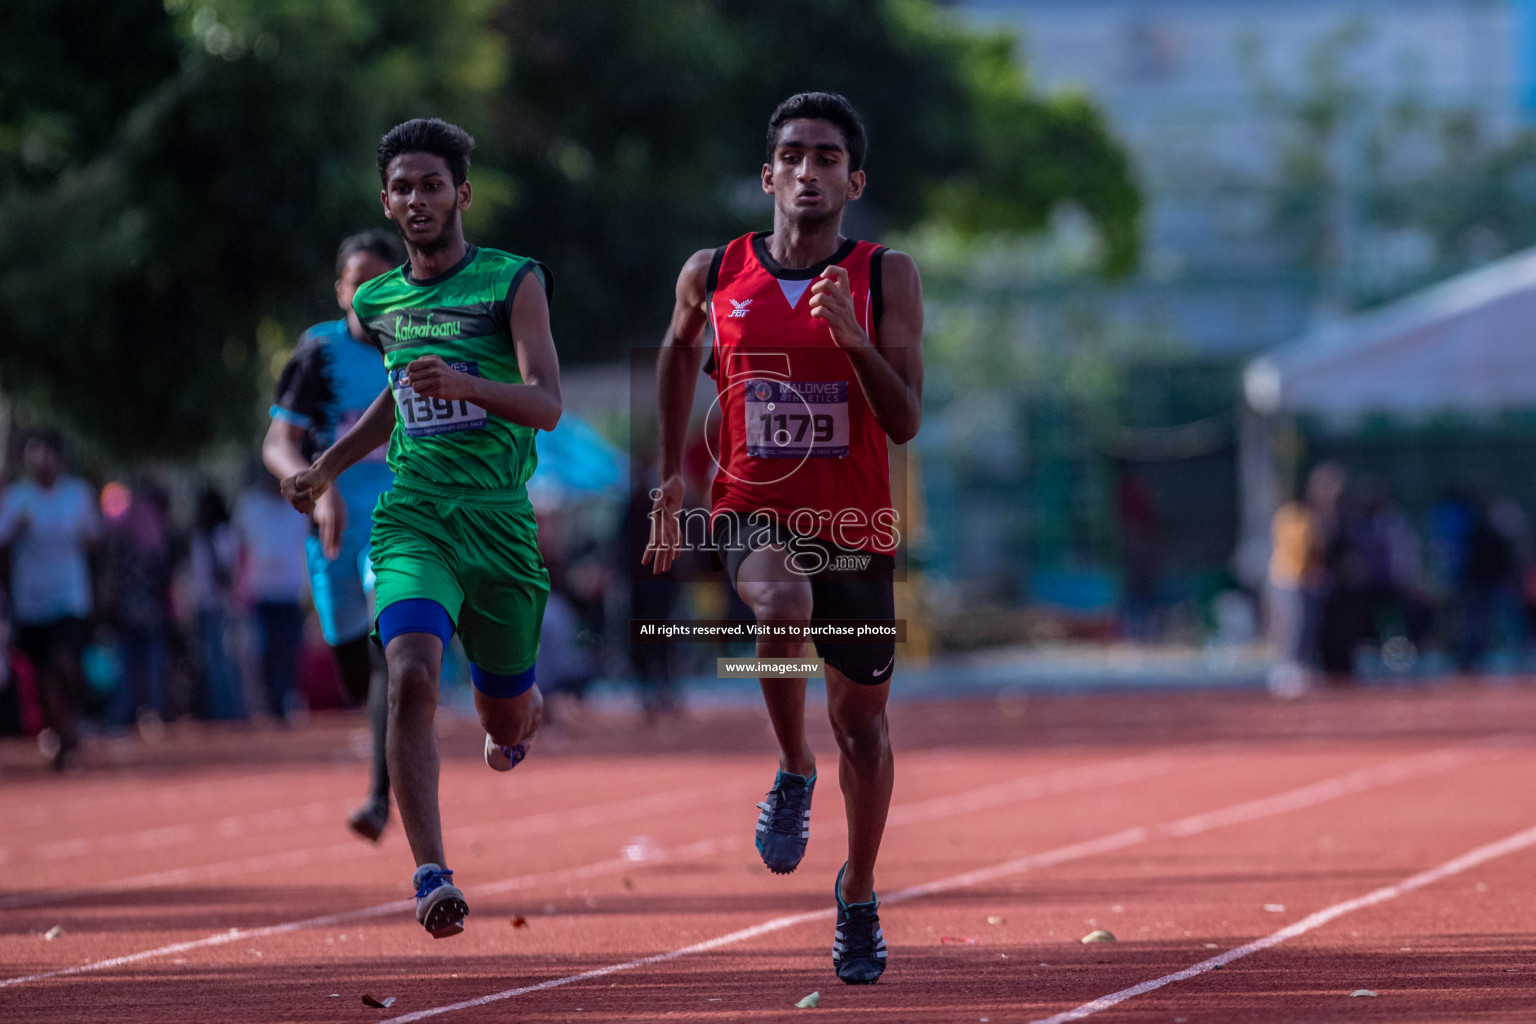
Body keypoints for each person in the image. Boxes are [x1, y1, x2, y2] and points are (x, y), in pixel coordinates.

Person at [645, 92, 924, 985]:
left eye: (829, 157)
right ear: (769, 175)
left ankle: (860, 893)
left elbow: (907, 419)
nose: (810, 170)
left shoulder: (886, 276)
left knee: (866, 732)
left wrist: (852, 340)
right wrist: (669, 478)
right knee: (780, 599)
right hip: (750, 505)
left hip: (855, 523)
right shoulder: (714, 270)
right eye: (794, 156)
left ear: (854, 180)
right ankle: (792, 767)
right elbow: (678, 353)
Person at [280, 118, 561, 939]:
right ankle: (432, 873)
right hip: (415, 517)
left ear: (461, 194)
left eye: (430, 184)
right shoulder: (378, 300)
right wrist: (327, 466)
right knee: (405, 671)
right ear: (386, 200)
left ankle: (520, 707)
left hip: (501, 525)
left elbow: (547, 402)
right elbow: (395, 401)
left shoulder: (513, 282)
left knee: (501, 718)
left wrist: (470, 388)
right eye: (401, 187)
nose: (416, 199)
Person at [263, 229, 404, 842]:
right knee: (356, 672)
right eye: (358, 281)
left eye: (381, 280)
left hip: (404, 516)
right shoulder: (316, 352)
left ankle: (379, 796)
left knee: (391, 652)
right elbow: (278, 442)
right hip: (333, 524)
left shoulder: (417, 344)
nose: (369, 291)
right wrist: (316, 487)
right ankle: (383, 764)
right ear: (341, 289)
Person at [0, 431, 100, 769]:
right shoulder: (17, 498)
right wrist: (17, 530)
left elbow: (93, 542)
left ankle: (70, 723)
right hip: (32, 600)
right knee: (43, 674)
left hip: (69, 597)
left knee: (66, 665)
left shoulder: (77, 495)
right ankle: (59, 733)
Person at [234, 464, 309, 720]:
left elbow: (306, 547)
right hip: (260, 592)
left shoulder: (298, 506)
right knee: (263, 650)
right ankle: (267, 699)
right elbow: (241, 549)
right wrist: (240, 587)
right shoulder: (249, 504)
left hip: (290, 591)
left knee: (288, 650)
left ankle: (283, 698)